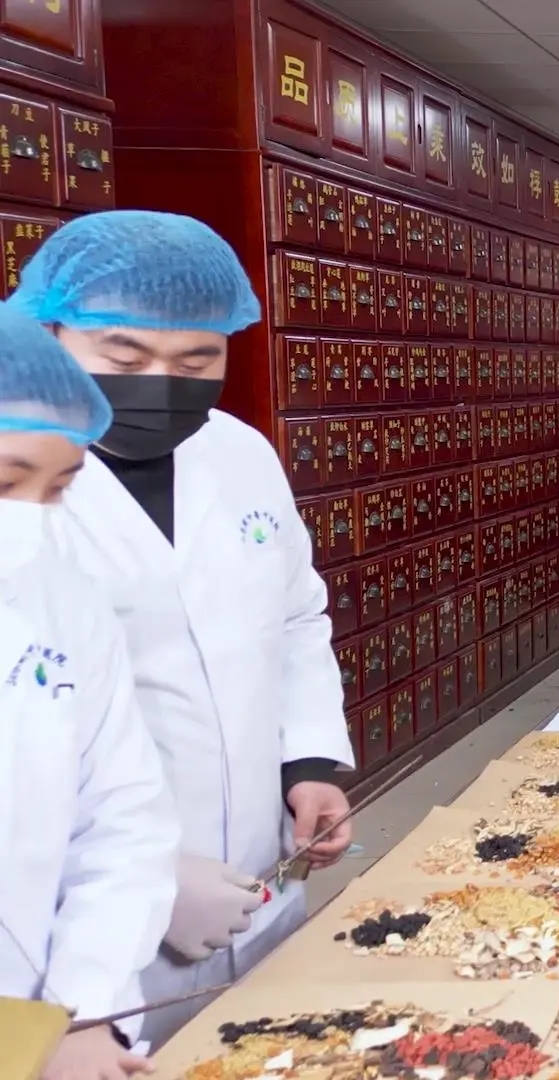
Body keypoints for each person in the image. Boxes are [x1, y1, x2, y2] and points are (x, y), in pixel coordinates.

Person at [13, 211, 355, 1045]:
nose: (161, 384)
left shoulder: (240, 454)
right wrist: (153, 878)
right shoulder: (22, 486)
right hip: (71, 923)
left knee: (266, 1046)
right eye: (125, 358)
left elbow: (295, 614)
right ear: (48, 333)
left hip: (258, 863)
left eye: (196, 361)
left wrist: (308, 764)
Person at [0, 306, 178, 1077]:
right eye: (7, 482)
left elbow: (122, 819)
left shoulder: (59, 597)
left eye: (58, 488)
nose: (29, 521)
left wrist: (78, 1013)